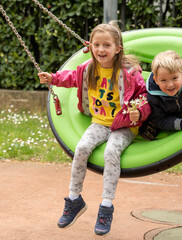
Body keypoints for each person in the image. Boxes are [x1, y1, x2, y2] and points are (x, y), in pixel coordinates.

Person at [38, 22, 151, 235]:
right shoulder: (88, 68)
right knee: (81, 148)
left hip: (124, 125)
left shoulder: (129, 72)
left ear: (118, 48)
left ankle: (106, 206)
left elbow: (143, 96)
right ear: (90, 46)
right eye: (96, 44)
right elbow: (71, 77)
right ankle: (74, 199)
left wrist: (140, 112)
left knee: (111, 152)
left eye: (106, 45)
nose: (100, 50)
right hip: (99, 122)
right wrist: (53, 78)